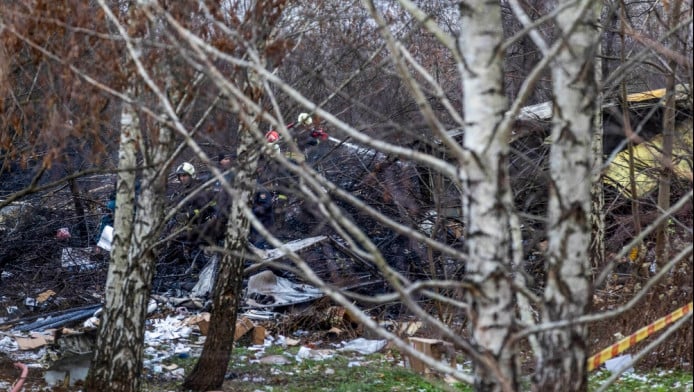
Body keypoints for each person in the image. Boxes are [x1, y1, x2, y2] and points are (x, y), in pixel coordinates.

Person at [249, 182, 275, 249]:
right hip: (256, 221)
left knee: (260, 240)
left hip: (265, 220)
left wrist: (252, 211)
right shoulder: (250, 192)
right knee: (255, 240)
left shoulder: (262, 191)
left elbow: (265, 205)